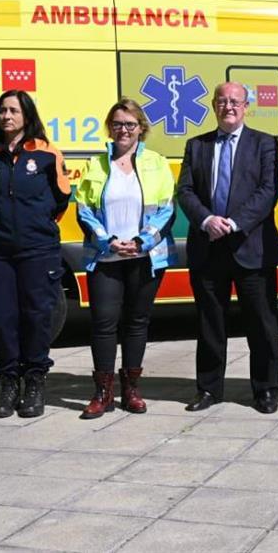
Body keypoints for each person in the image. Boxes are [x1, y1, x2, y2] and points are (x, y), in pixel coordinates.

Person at [176, 82, 278, 414]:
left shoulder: (265, 143)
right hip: (208, 246)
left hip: (252, 247)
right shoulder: (197, 145)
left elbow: (268, 191)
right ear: (213, 106)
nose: (229, 107)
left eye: (235, 101)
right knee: (210, 323)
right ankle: (209, 389)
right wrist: (207, 220)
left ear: (246, 106)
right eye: (222, 101)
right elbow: (185, 191)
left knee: (262, 325)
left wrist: (234, 223)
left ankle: (265, 390)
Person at [0, 90, 71, 418]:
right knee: (2, 319)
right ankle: (9, 383)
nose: (7, 116)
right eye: (2, 111)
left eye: (14, 110)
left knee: (37, 317)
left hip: (38, 250)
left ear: (27, 115)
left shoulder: (47, 154)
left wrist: (36, 225)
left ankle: (35, 382)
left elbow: (61, 199)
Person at [75, 98, 176, 419]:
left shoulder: (157, 163)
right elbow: (84, 209)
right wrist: (107, 241)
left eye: (130, 124)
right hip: (105, 257)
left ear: (140, 128)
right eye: (117, 123)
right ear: (110, 127)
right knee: (104, 324)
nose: (124, 130)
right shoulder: (95, 165)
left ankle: (131, 389)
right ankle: (102, 393)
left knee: (136, 323)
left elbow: (167, 209)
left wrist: (141, 241)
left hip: (145, 256)